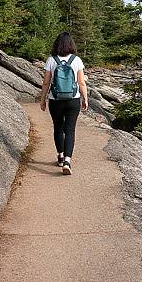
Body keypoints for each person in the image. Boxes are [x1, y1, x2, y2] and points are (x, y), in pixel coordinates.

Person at [40, 32, 89, 175]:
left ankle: (60, 156)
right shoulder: (77, 60)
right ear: (71, 44)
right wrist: (85, 98)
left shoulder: (51, 60)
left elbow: (46, 82)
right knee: (70, 130)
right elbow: (81, 82)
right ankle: (67, 161)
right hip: (73, 99)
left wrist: (43, 99)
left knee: (58, 128)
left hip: (55, 100)